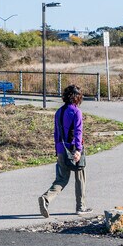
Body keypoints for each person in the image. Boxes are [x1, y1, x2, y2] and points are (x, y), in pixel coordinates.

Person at [38, 84, 92, 218]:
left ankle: (46, 198)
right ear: (76, 97)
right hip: (74, 149)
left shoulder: (59, 112)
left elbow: (56, 133)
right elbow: (78, 132)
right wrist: (78, 150)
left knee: (61, 179)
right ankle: (81, 207)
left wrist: (58, 150)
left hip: (61, 149)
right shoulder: (76, 112)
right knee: (80, 179)